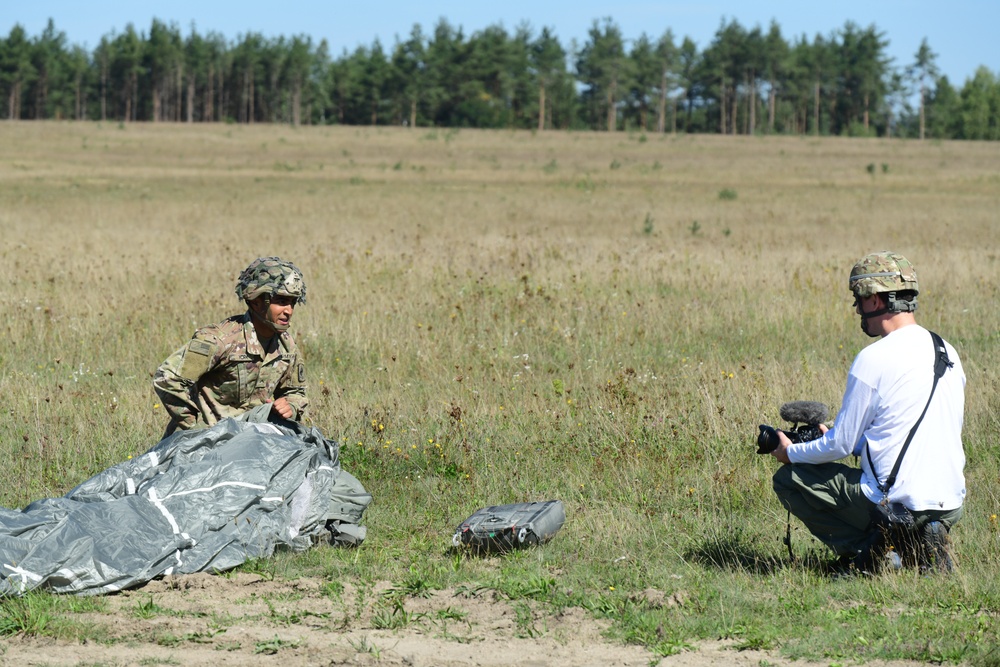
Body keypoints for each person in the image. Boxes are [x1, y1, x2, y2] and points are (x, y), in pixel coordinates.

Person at [770, 251, 966, 573]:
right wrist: (862, 444)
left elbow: (839, 446)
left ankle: (877, 555)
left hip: (896, 505)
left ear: (875, 300)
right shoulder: (947, 349)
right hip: (950, 504)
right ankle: (925, 539)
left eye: (858, 300)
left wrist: (790, 452)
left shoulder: (872, 358)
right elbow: (914, 432)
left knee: (789, 480)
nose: (857, 309)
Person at [154, 257, 309, 438]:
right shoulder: (220, 340)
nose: (289, 310)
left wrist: (290, 405)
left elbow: (295, 391)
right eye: (281, 301)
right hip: (204, 443)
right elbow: (167, 378)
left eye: (292, 302)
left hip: (252, 441)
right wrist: (195, 428)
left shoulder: (287, 346)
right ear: (256, 300)